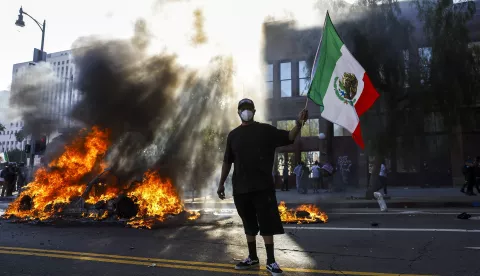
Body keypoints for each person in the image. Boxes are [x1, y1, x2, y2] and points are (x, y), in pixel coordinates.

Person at [217, 98, 307, 275]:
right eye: (243, 108)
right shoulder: (233, 135)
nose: (246, 111)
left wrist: (299, 123)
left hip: (263, 187)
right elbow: (227, 161)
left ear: (254, 111)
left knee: (267, 224)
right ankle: (252, 258)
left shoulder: (265, 130)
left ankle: (271, 261)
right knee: (248, 224)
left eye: (249, 108)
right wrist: (221, 184)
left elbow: (289, 137)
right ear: (238, 112)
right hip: (241, 189)